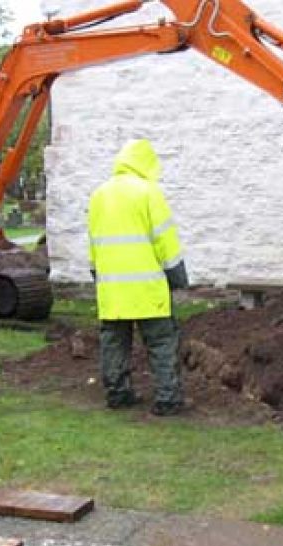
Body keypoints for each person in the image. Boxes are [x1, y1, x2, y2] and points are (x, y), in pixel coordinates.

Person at [87, 139, 189, 416]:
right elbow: (165, 240)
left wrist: (98, 274)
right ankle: (167, 399)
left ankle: (117, 393)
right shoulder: (149, 193)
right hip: (147, 288)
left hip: (112, 290)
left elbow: (94, 243)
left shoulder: (99, 195)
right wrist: (177, 277)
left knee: (114, 341)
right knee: (161, 342)